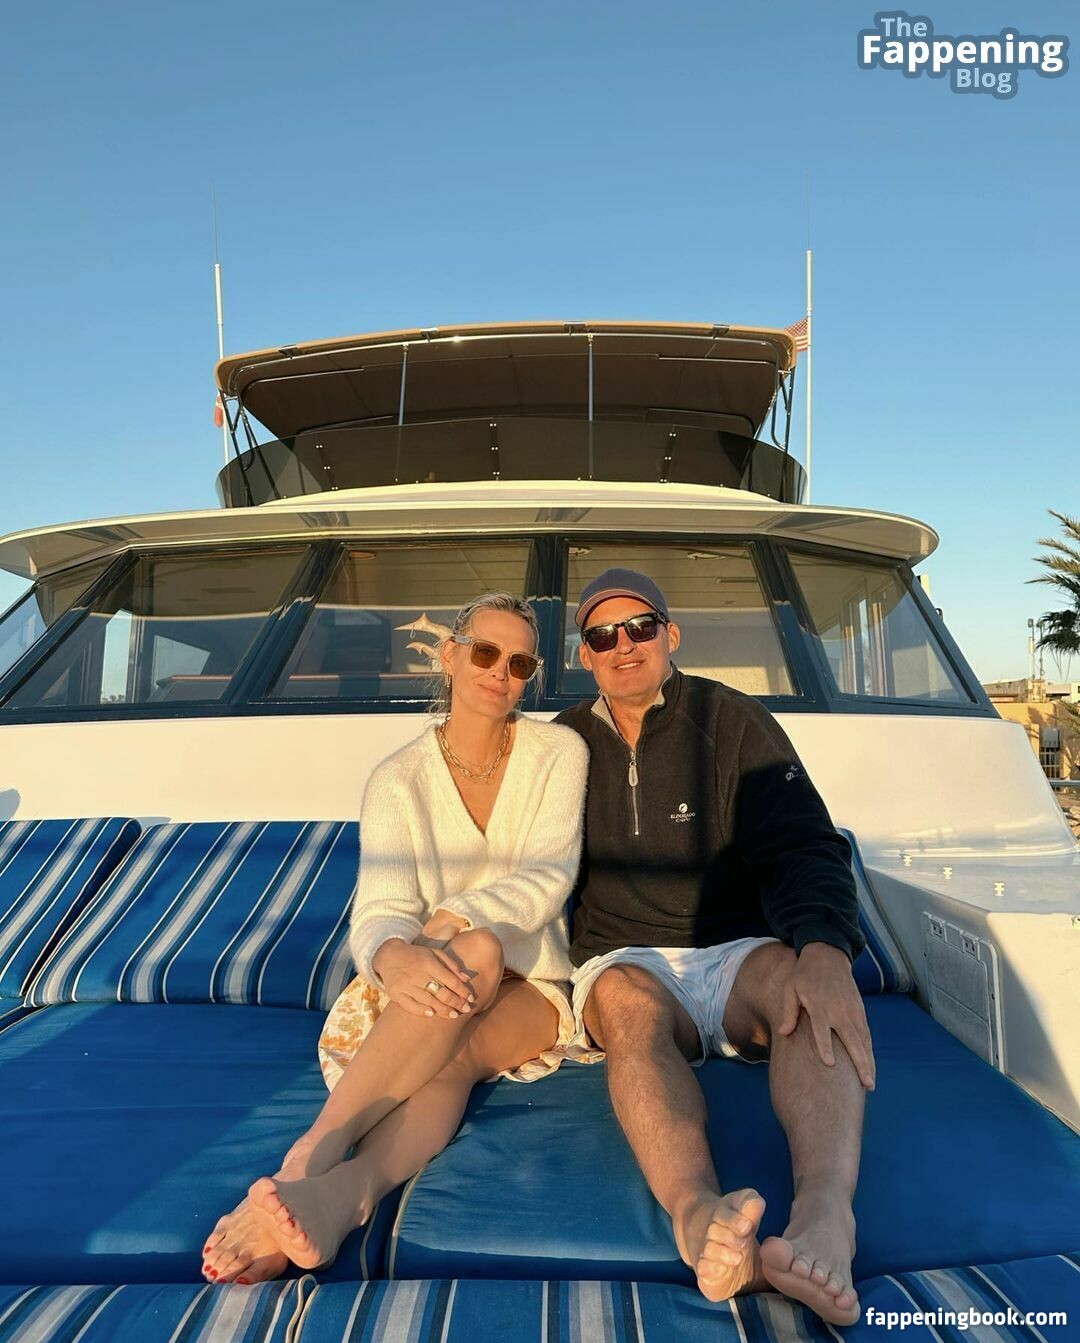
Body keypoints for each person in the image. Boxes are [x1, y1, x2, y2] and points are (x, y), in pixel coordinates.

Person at [201, 592, 591, 1284]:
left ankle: (306, 1160)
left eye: (520, 662)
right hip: (431, 975)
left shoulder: (559, 751)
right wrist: (390, 953)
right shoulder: (396, 779)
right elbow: (381, 909)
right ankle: (337, 1192)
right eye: (485, 652)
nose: (500, 671)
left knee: (479, 954)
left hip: (531, 981)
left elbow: (549, 875)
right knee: (453, 1032)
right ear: (449, 655)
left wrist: (449, 922)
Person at [556, 568, 873, 1327]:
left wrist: (825, 948)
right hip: (625, 958)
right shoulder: (561, 745)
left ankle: (825, 1216)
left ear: (670, 635)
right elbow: (520, 865)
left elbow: (802, 843)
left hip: (736, 949)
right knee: (627, 1009)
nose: (623, 644)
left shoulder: (732, 721)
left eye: (640, 626)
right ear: (585, 654)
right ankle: (699, 1214)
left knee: (797, 986)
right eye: (602, 635)